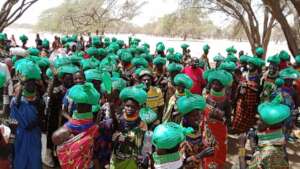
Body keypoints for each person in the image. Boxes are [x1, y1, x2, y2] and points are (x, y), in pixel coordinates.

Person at [52, 82, 100, 169]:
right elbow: (56, 138)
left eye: (84, 105)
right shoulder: (92, 128)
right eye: (80, 105)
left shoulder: (93, 128)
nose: (81, 107)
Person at [10, 60, 45, 169]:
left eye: (32, 82)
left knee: (34, 158)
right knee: (20, 156)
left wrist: (34, 124)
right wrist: (21, 82)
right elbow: (15, 105)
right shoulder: (17, 100)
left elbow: (41, 117)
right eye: (27, 83)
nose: (30, 84)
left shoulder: (39, 101)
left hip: (34, 132)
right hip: (21, 133)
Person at [239, 101, 290, 169]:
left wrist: (241, 147)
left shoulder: (265, 154)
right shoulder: (280, 143)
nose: (257, 122)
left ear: (268, 127)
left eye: (260, 120)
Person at [110, 85, 147, 169]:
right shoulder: (119, 118)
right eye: (127, 106)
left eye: (133, 107)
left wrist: (127, 137)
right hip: (116, 155)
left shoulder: (141, 123)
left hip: (131, 158)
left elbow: (140, 143)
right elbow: (113, 132)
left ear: (138, 107)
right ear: (124, 105)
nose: (129, 108)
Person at [176, 93, 215, 169]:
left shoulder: (198, 127)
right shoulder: (181, 136)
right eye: (193, 116)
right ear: (185, 117)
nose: (198, 118)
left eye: (199, 114)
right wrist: (200, 155)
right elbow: (180, 163)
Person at [232, 56, 265, 133]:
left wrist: (247, 85)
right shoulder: (245, 74)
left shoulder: (258, 77)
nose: (249, 66)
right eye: (249, 64)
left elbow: (258, 89)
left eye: (251, 65)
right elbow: (240, 83)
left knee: (248, 115)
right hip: (242, 97)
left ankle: (245, 130)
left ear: (255, 67)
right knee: (239, 112)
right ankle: (237, 129)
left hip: (251, 99)